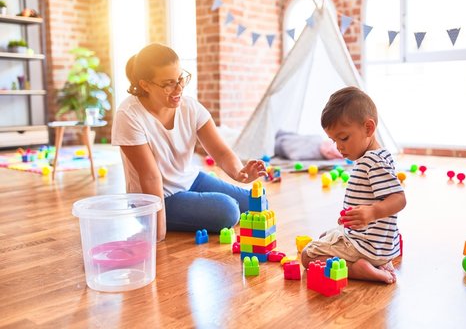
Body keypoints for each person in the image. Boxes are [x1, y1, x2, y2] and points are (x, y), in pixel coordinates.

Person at [112, 43, 266, 241]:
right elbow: (150, 177)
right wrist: (157, 231)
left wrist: (240, 173)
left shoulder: (190, 107)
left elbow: (220, 152)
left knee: (257, 204)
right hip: (157, 198)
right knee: (228, 211)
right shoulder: (129, 115)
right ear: (145, 85)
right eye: (168, 83)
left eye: (180, 79)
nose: (179, 88)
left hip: (190, 180)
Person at [301, 86, 406, 284]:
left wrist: (372, 213)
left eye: (343, 138)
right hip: (383, 247)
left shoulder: (372, 161)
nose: (339, 147)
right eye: (334, 141)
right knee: (327, 234)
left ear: (368, 128)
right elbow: (369, 199)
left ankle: (358, 269)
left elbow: (399, 199)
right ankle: (378, 263)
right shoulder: (381, 156)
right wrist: (354, 217)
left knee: (308, 256)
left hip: (367, 248)